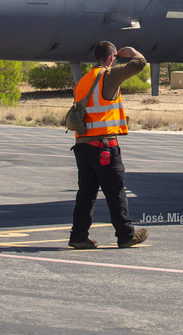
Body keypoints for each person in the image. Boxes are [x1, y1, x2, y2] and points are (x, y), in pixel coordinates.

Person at [69, 41, 149, 249]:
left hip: (82, 145)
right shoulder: (108, 76)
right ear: (112, 57)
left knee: (86, 193)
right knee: (115, 191)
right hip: (103, 145)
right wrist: (132, 53)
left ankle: (78, 236)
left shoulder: (83, 80)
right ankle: (125, 235)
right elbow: (140, 63)